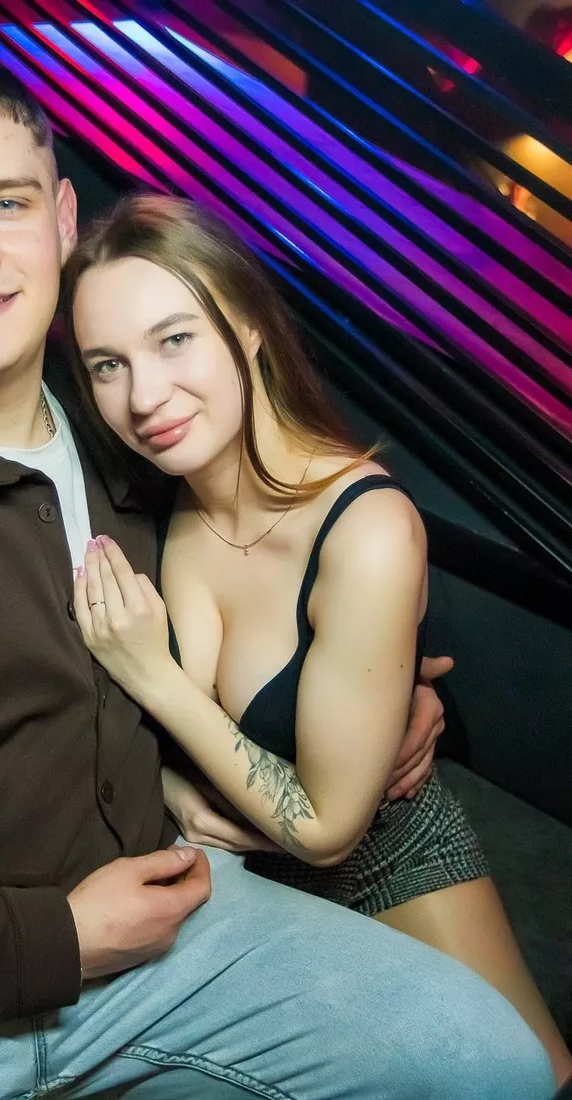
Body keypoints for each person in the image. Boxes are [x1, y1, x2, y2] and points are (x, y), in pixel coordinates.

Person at [0, 53, 555, 1099]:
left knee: (486, 1064)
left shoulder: (133, 435)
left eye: (6, 202)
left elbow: (287, 569)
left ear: (63, 221)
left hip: (172, 944)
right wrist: (54, 937)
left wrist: (386, 688)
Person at [63, 192, 571, 1086]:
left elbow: (327, 829)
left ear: (248, 326)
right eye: (108, 364)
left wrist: (154, 676)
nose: (143, 397)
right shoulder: (137, 502)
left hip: (380, 860)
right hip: (228, 888)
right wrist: (171, 791)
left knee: (522, 1078)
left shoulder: (364, 528)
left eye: (174, 339)